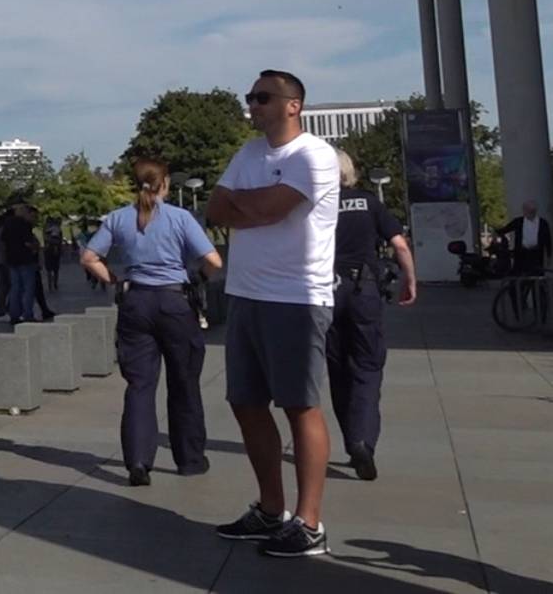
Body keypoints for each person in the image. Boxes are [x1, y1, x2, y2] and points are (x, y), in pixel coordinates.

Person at [203, 69, 341, 559]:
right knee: (245, 401)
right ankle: (269, 509)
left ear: (293, 105)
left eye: (262, 97)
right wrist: (250, 206)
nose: (253, 105)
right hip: (245, 293)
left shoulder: (313, 155)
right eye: (250, 97)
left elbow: (272, 209)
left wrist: (248, 206)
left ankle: (309, 522)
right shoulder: (248, 154)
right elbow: (216, 209)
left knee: (299, 404)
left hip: (297, 297)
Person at [81, 158, 223, 485]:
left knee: (140, 385)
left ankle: (138, 460)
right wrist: (198, 279)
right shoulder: (180, 217)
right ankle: (190, 459)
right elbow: (213, 260)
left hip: (136, 301)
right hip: (174, 302)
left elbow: (89, 258)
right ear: (166, 184)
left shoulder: (117, 218)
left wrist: (115, 280)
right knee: (184, 382)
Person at [326, 150, 417, 481]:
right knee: (367, 366)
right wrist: (410, 280)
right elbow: (400, 245)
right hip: (364, 289)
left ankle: (352, 440)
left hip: (327, 291)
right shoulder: (368, 202)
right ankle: (362, 439)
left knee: (337, 369)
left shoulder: (316, 206)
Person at [497, 200, 553, 276]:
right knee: (519, 275)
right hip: (521, 253)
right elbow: (505, 229)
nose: (530, 213)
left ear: (535, 211)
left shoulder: (543, 223)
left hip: (536, 254)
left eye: (532, 211)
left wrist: (549, 256)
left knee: (536, 274)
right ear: (524, 211)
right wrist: (496, 233)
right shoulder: (518, 222)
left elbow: (548, 240)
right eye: (527, 210)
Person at [43, 218, 66, 295]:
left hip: (49, 250)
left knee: (50, 269)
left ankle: (51, 284)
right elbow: (59, 240)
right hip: (54, 250)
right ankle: (54, 283)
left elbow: (46, 239)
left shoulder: (46, 229)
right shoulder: (57, 229)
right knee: (54, 269)